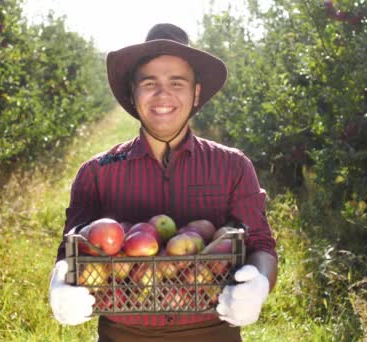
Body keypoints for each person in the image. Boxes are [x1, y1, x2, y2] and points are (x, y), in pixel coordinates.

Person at [49, 23, 278, 342]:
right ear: (133, 92)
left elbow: (261, 246)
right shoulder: (97, 172)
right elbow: (70, 249)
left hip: (213, 333)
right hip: (124, 334)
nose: (163, 94)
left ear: (196, 92)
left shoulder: (232, 166)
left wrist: (259, 284)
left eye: (177, 82)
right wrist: (60, 282)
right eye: (149, 82)